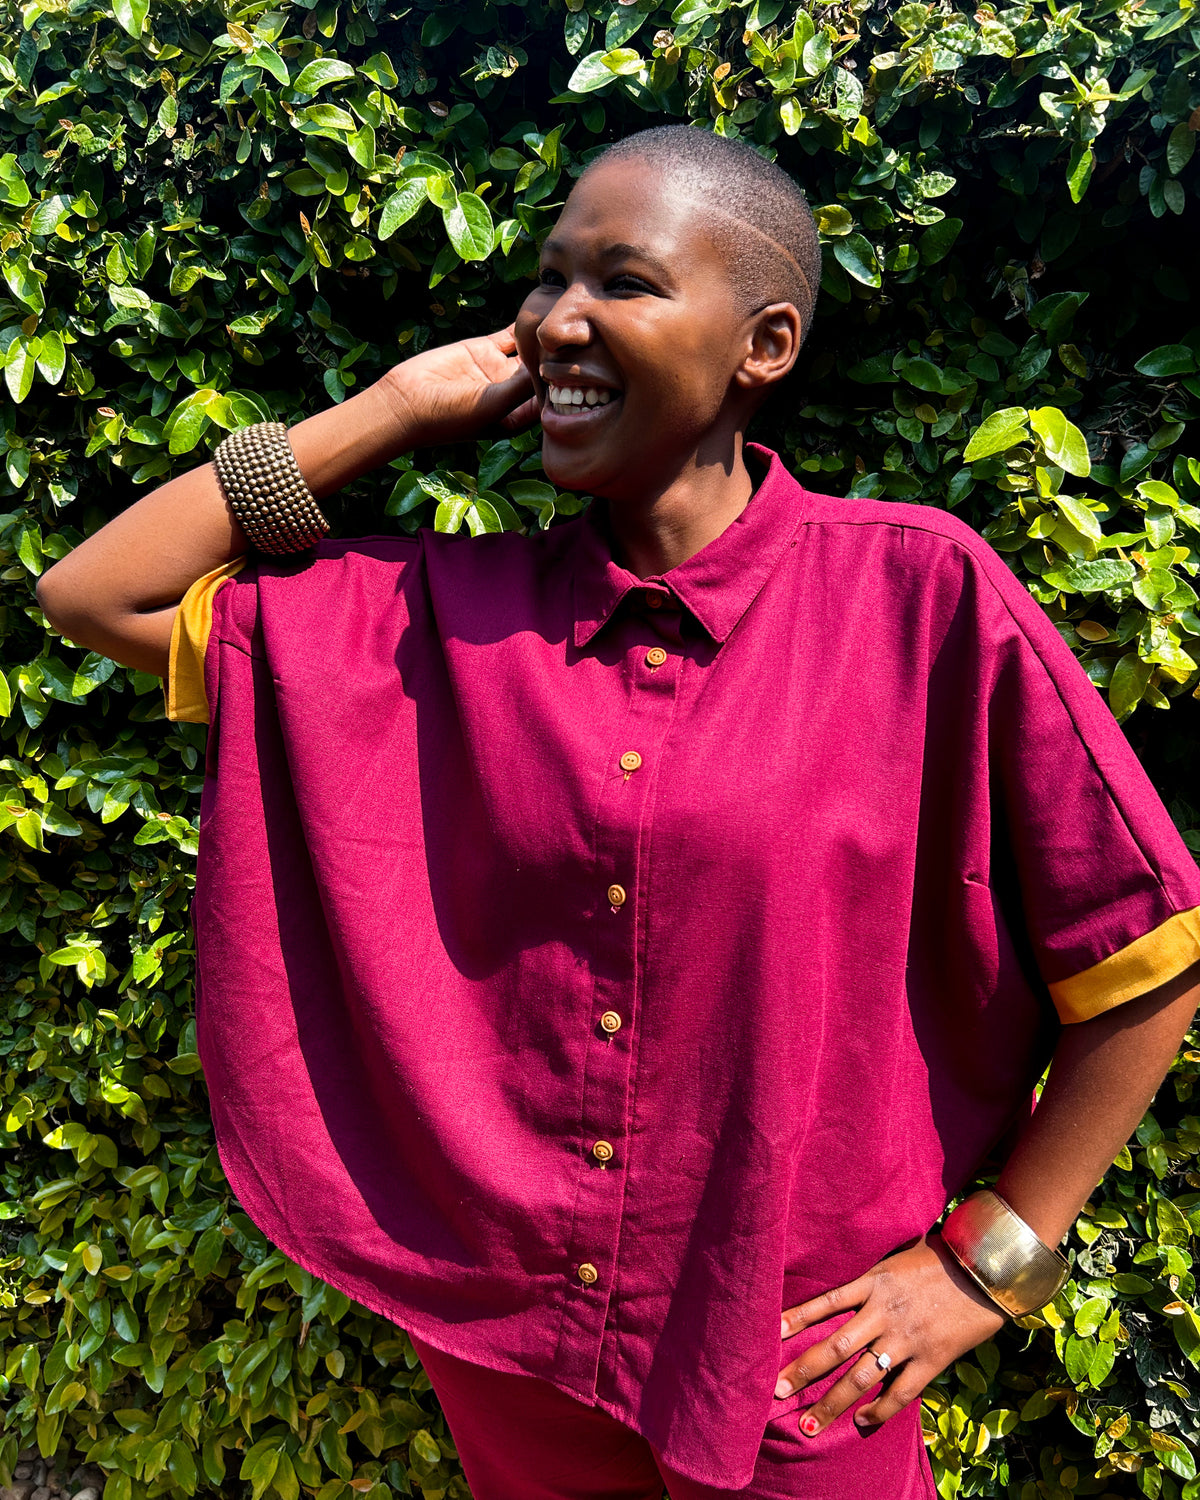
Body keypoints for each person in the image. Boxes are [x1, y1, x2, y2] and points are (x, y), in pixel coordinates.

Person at [37, 126, 1200, 1500]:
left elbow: (1143, 951)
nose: (555, 323)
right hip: (515, 1347)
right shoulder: (429, 619)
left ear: (763, 346)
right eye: (546, 282)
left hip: (799, 1356)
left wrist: (989, 1260)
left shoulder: (916, 598)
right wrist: (400, 405)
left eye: (626, 281)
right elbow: (93, 595)